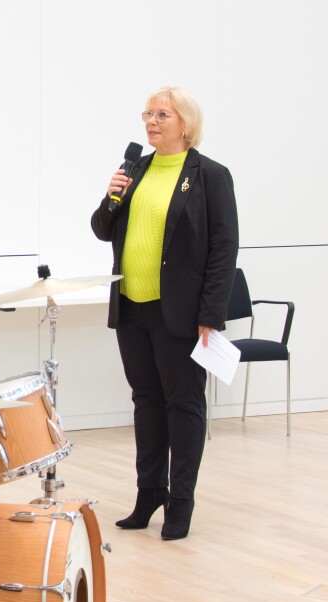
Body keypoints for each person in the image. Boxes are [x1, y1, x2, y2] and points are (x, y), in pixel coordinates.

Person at [90, 86, 238, 541]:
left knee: (184, 405)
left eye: (162, 114)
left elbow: (223, 249)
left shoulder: (209, 176)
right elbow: (100, 229)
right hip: (133, 306)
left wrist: (210, 314)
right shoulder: (136, 170)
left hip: (182, 312)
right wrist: (112, 196)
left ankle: (180, 501)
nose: (151, 122)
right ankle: (148, 492)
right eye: (147, 114)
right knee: (146, 402)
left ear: (185, 123)